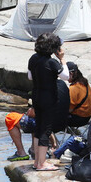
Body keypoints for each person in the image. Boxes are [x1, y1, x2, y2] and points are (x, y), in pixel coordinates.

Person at [27, 33, 70, 171]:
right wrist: (62, 60)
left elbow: (29, 76)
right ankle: (41, 163)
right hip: (48, 99)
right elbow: (66, 76)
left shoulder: (33, 58)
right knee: (46, 129)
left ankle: (36, 161)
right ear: (53, 48)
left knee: (38, 127)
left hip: (36, 96)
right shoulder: (52, 62)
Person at [67, 63, 91, 129]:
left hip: (77, 119)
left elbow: (69, 109)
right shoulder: (85, 83)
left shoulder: (73, 88)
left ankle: (51, 138)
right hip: (87, 117)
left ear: (71, 74)